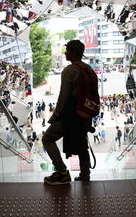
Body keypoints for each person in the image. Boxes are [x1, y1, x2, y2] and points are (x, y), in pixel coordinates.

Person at [42, 40, 97, 185]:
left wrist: (55, 115)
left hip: (70, 115)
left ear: (73, 52)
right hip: (84, 115)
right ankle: (85, 174)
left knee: (47, 139)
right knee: (82, 143)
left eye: (67, 50)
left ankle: (62, 172)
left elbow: (64, 96)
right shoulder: (89, 69)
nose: (65, 53)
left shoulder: (69, 70)